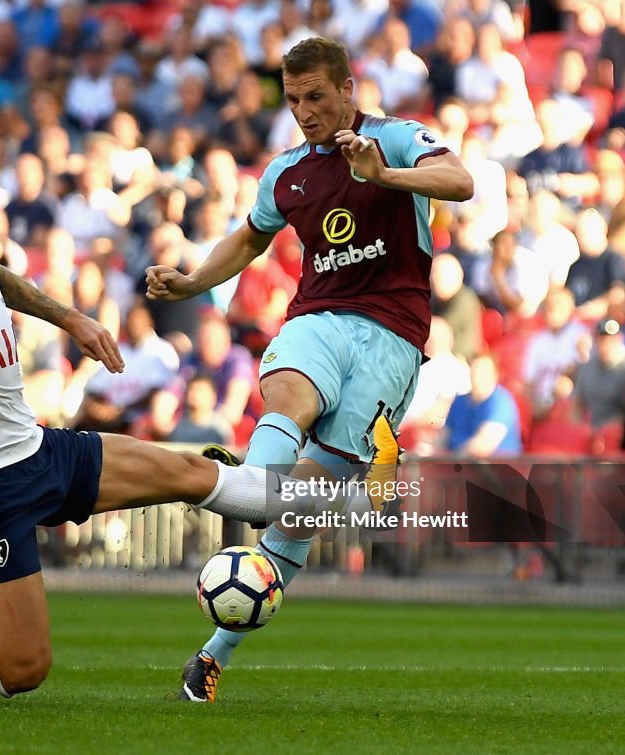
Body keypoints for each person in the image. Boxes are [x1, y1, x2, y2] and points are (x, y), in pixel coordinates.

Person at [0, 163, 392, 703]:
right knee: (21, 671)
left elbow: (0, 283)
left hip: (44, 451)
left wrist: (71, 318)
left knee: (192, 472)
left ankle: (354, 497)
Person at [146, 37, 473, 702]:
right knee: (288, 398)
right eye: (293, 99)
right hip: (318, 319)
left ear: (349, 88)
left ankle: (213, 653)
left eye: (316, 96)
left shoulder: (397, 138)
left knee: (302, 508)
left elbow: (460, 181)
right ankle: (243, 486)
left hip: (392, 340)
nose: (304, 110)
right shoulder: (286, 171)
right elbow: (250, 235)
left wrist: (388, 178)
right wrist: (193, 283)